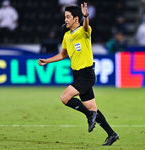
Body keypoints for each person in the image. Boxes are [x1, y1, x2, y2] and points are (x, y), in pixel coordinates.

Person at [38, 4, 119, 146]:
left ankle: (90, 116)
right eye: (65, 17)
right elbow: (63, 54)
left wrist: (86, 16)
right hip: (77, 75)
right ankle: (112, 134)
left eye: (68, 17)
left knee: (65, 98)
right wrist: (47, 61)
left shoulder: (83, 31)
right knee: (92, 107)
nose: (66, 19)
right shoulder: (66, 36)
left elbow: (87, 27)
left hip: (87, 74)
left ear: (76, 19)